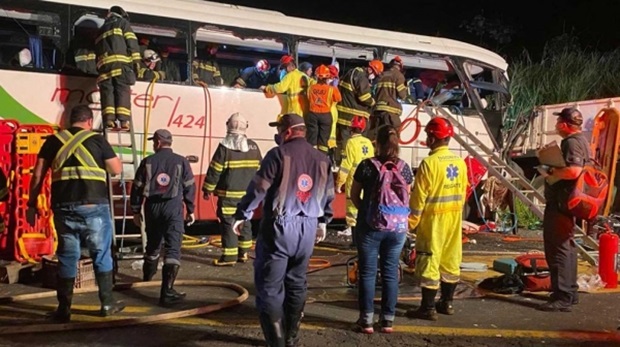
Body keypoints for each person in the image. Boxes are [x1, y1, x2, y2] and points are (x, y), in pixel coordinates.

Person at [233, 113, 334, 346]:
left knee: (269, 287)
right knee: (297, 282)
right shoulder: (322, 159)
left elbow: (259, 188)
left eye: (279, 130)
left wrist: (242, 215)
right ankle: (291, 337)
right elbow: (329, 194)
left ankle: (276, 342)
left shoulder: (278, 155)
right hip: (308, 229)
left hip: (279, 228)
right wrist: (323, 222)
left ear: (287, 131)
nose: (278, 134)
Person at [26, 105, 125, 322]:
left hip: (63, 207)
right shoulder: (97, 140)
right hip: (94, 206)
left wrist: (31, 205)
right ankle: (107, 303)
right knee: (100, 253)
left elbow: (37, 176)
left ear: (70, 121)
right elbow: (116, 170)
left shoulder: (53, 141)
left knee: (67, 256)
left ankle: (64, 309)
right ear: (89, 121)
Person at [349, 125, 413, 334]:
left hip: (371, 226)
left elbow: (354, 194)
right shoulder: (404, 167)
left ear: (377, 141)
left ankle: (366, 321)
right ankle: (387, 320)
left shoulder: (367, 166)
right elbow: (407, 196)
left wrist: (366, 212)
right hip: (398, 228)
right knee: (390, 272)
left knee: (367, 273)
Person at [407, 117, 467, 321]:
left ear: (432, 138)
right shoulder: (460, 162)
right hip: (454, 220)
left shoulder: (429, 164)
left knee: (429, 262)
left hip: (433, 222)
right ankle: (447, 302)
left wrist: (411, 224)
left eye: (427, 136)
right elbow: (464, 193)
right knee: (450, 261)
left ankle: (428, 308)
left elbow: (417, 200)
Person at [130, 129, 196, 306]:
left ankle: (147, 277)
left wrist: (136, 211)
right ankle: (167, 291)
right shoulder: (181, 161)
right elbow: (189, 186)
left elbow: (136, 188)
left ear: (158, 143)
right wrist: (190, 209)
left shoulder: (147, 162)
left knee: (153, 245)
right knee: (173, 248)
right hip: (173, 207)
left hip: (152, 208)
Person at [536, 107, 588, 312]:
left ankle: (563, 295)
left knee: (558, 249)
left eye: (559, 122)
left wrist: (550, 172)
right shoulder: (581, 140)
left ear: (565, 124)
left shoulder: (572, 143)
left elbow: (574, 170)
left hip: (561, 202)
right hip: (568, 202)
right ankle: (570, 292)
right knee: (567, 247)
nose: (557, 125)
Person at [202, 113, 262, 266]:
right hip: (248, 196)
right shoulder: (254, 146)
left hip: (229, 195)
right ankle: (244, 253)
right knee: (245, 221)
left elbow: (215, 170)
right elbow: (260, 170)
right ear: (245, 126)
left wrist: (207, 188)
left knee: (228, 223)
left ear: (228, 125)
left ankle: (229, 257)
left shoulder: (225, 147)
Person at [95, 6, 141, 130]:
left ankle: (109, 120)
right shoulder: (122, 23)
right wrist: (136, 62)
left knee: (107, 93)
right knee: (122, 91)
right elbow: (131, 42)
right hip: (120, 65)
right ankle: (124, 121)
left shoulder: (100, 30)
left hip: (104, 68)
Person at [335, 60, 382, 166]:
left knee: (344, 144)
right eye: (374, 74)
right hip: (353, 118)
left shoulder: (353, 72)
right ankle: (347, 164)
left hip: (344, 116)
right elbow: (364, 97)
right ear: (370, 69)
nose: (374, 77)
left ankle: (341, 164)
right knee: (350, 144)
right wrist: (373, 101)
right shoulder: (361, 76)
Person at [335, 116, 374, 242]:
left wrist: (339, 182)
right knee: (365, 207)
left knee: (352, 208)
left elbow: (346, 165)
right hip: (368, 179)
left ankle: (354, 238)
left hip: (354, 178)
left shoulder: (350, 143)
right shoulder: (368, 142)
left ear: (351, 128)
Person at [367, 56, 408, 141]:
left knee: (376, 137)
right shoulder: (398, 76)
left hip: (377, 110)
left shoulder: (381, 74)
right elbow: (402, 95)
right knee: (391, 138)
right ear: (400, 67)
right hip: (390, 112)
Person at [306, 65, 342, 154]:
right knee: (323, 139)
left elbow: (308, 98)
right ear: (328, 76)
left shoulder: (311, 88)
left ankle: (310, 156)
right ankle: (321, 158)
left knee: (312, 138)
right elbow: (338, 99)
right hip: (325, 115)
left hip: (312, 114)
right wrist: (335, 86)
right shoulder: (331, 89)